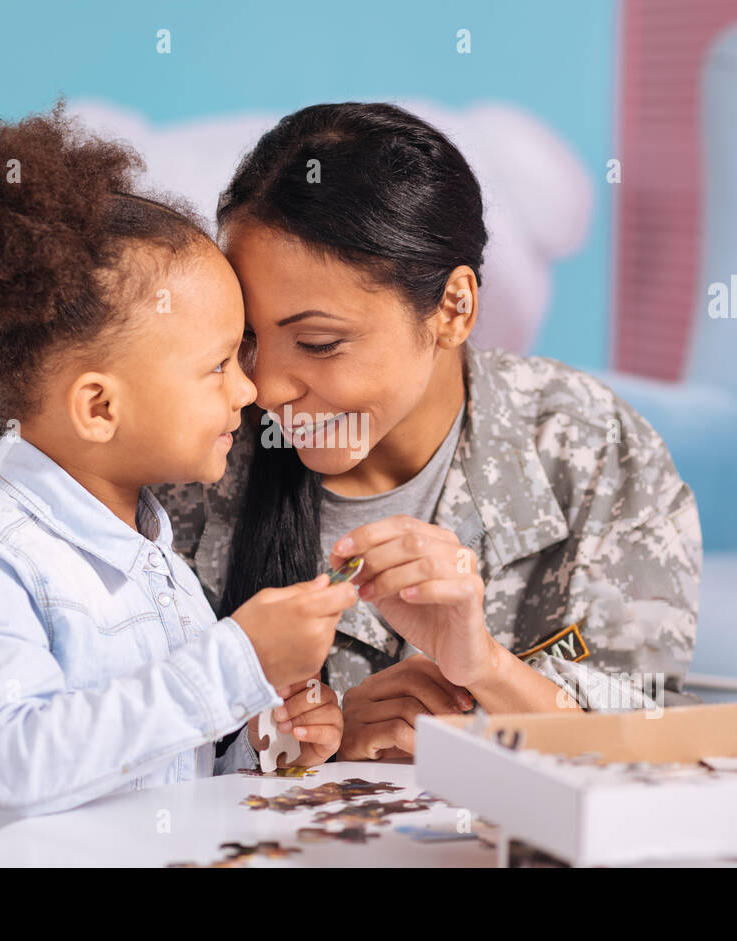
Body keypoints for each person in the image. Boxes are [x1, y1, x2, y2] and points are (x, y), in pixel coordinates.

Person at [150, 102, 703, 762]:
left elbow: (661, 752)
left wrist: (488, 668)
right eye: (247, 341)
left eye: (319, 342)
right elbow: (110, 743)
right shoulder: (190, 459)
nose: (265, 390)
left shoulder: (594, 453)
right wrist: (310, 744)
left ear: (454, 307)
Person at [0, 101, 356, 866]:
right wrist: (236, 661)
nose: (249, 390)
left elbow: (159, 770)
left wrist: (266, 741)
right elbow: (18, 767)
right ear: (99, 405)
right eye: (217, 367)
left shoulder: (161, 565)